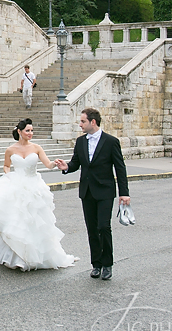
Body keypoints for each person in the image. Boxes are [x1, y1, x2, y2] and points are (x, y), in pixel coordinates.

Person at [0, 119, 77, 271]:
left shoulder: (37, 148)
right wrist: (8, 176)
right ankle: (16, 256)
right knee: (16, 220)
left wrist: (55, 164)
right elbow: (6, 166)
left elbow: (47, 164)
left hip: (33, 186)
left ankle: (37, 255)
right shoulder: (10, 150)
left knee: (35, 221)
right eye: (27, 131)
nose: (30, 133)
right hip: (16, 184)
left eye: (32, 131)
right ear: (19, 131)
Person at [54, 107, 130, 281]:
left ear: (92, 122)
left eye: (82, 121)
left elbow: (120, 168)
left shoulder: (111, 142)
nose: (80, 124)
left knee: (104, 227)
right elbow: (76, 163)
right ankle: (96, 264)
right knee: (92, 229)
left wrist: (124, 193)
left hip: (105, 191)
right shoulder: (81, 142)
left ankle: (107, 264)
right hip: (87, 192)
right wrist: (66, 167)